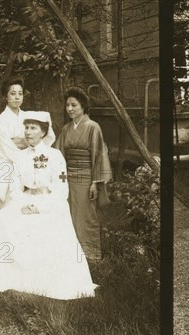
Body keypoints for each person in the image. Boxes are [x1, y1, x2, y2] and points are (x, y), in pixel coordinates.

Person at [0, 112, 97, 300]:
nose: (28, 132)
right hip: (26, 200)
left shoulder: (54, 155)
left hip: (50, 202)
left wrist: (41, 207)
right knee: (4, 219)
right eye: (26, 127)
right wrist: (22, 204)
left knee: (45, 226)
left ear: (43, 132)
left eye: (33, 128)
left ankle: (44, 281)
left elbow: (61, 189)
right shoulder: (20, 157)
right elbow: (15, 187)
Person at [55, 87, 112, 263]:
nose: (70, 109)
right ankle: (72, 256)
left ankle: (91, 255)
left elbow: (99, 154)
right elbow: (58, 154)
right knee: (68, 215)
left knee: (86, 216)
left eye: (74, 105)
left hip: (87, 177)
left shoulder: (93, 127)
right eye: (68, 106)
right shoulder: (66, 129)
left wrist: (95, 182)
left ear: (83, 107)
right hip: (67, 177)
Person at [0, 76, 56, 208]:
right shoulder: (1, 121)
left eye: (20, 94)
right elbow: (7, 150)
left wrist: (22, 143)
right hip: (7, 168)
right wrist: (28, 144)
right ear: (5, 97)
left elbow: (45, 137)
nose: (17, 97)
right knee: (9, 208)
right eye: (12, 93)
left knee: (28, 209)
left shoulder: (28, 117)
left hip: (28, 165)